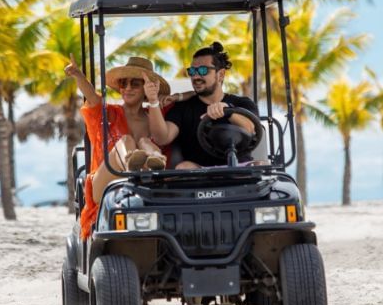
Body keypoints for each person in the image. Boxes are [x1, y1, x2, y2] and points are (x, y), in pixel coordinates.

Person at [64, 55, 178, 238]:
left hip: (146, 187)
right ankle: (131, 165)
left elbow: (191, 99)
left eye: (135, 83)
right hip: (107, 185)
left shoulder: (154, 116)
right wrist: (78, 76)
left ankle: (154, 162)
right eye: (123, 83)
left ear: (146, 88)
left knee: (145, 142)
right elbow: (92, 97)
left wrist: (158, 97)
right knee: (126, 141)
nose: (127, 88)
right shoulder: (110, 113)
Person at [146, 41, 259, 168]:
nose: (196, 76)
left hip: (240, 170)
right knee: (184, 167)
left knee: (261, 164)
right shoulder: (183, 107)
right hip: (199, 175)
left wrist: (228, 111)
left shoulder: (242, 103)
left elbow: (251, 128)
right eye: (192, 71)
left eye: (203, 70)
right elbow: (162, 138)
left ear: (220, 74)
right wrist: (153, 101)